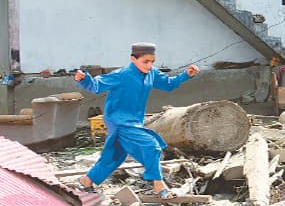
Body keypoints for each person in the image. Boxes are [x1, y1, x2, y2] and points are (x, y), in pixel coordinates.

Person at [73, 42, 199, 197]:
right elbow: (96, 85)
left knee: (114, 157)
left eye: (152, 61)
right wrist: (84, 79)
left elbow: (168, 84)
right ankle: (159, 186)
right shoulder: (122, 75)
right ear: (133, 59)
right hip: (119, 121)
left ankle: (86, 182)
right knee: (151, 146)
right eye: (145, 61)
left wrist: (186, 75)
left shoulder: (152, 73)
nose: (149, 65)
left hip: (133, 121)